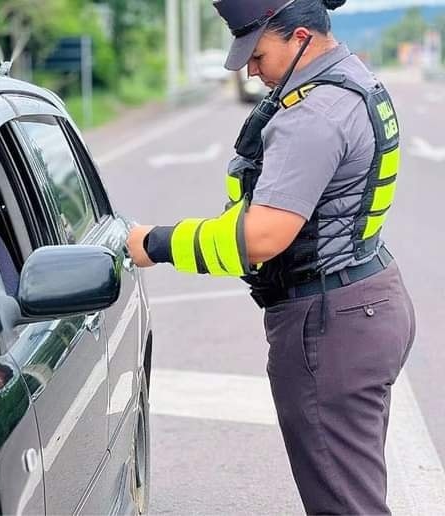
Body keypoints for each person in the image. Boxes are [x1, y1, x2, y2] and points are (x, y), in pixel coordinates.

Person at [126, 0, 416, 514]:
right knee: (352, 489)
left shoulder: (313, 115)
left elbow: (262, 237)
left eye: (257, 55)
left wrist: (155, 243)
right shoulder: (353, 79)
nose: (252, 70)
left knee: (344, 503)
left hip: (330, 324)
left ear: (300, 36)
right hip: (366, 297)